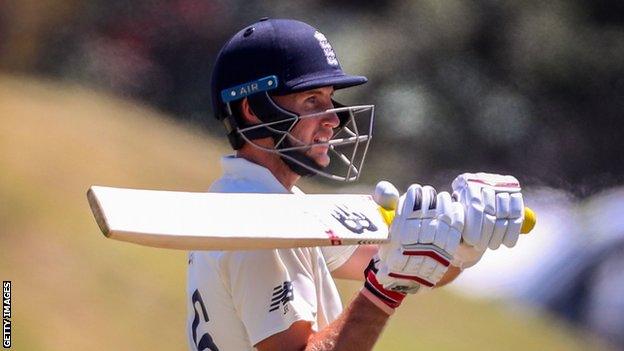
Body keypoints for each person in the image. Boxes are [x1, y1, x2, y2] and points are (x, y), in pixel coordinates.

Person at [187, 18, 525, 351]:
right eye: (311, 100)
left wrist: (462, 243)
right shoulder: (258, 222)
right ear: (253, 110)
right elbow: (388, 270)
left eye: (329, 98)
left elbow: (397, 260)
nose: (334, 119)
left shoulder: (261, 201)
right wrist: (386, 287)